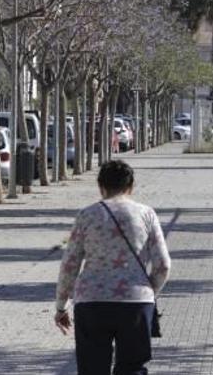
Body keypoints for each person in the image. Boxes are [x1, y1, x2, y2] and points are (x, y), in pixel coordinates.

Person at [54, 160, 171, 375]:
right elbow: (163, 265)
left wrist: (61, 306)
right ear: (131, 186)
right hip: (136, 304)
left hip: (91, 303)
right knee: (132, 368)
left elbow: (70, 265)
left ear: (101, 187)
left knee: (92, 368)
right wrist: (148, 292)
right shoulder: (147, 214)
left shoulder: (87, 215)